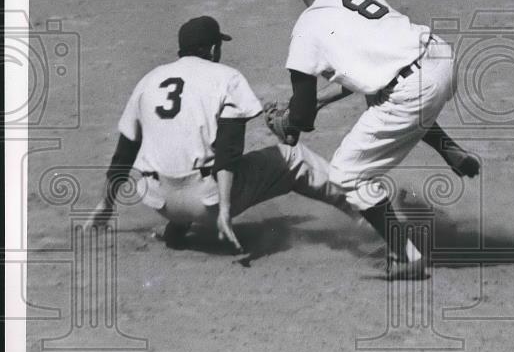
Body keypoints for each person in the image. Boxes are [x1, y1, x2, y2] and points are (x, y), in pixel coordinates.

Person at [273, 0, 479, 280]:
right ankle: (450, 150)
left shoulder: (304, 30)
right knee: (385, 98)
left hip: (413, 92)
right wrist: (321, 102)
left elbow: (301, 119)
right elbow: (378, 67)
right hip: (441, 58)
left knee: (346, 175)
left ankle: (405, 255)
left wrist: (286, 126)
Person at [86, 15, 351, 252]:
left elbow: (125, 152)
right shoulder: (227, 77)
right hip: (206, 203)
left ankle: (178, 227)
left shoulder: (149, 79)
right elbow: (228, 149)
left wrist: (105, 205)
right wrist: (224, 209)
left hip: (159, 201)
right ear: (214, 48)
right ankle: (368, 212)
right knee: (294, 157)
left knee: (183, 141)